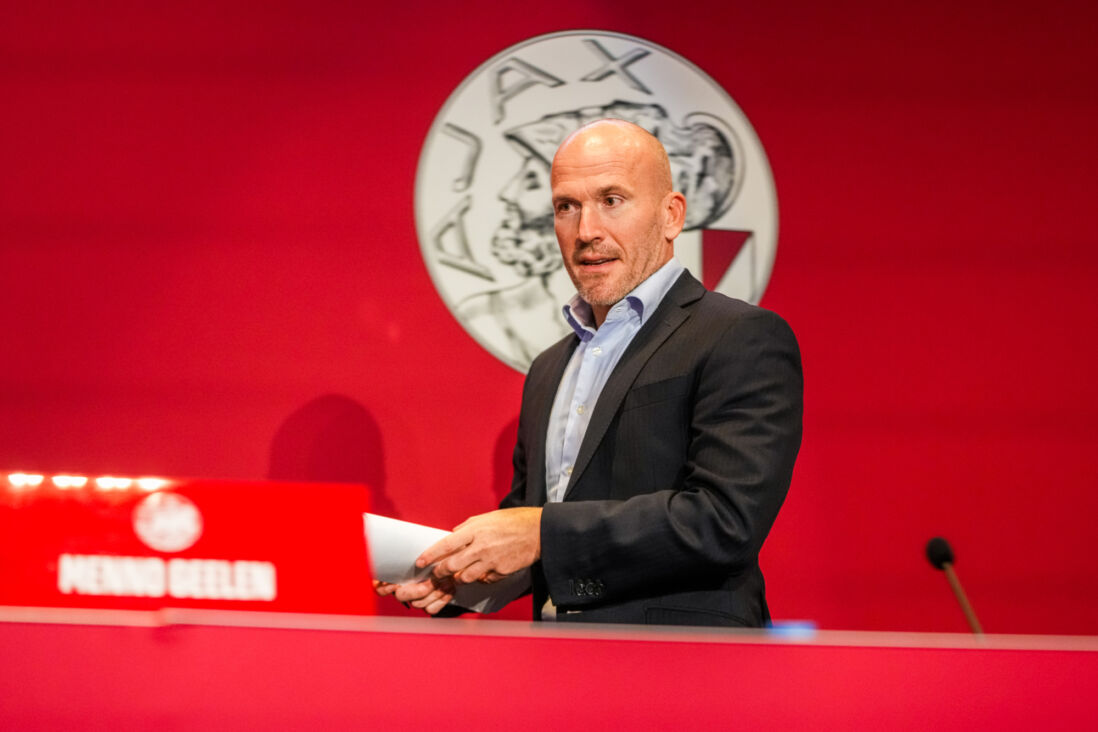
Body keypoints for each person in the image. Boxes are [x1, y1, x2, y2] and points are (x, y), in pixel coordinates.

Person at [378, 118, 802, 626]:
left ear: (671, 215)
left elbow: (725, 522)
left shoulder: (738, 336)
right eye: (566, 207)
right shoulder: (548, 369)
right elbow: (537, 541)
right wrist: (456, 576)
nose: (586, 231)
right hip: (556, 674)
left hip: (686, 676)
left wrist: (540, 532)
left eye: (612, 200)